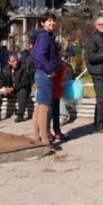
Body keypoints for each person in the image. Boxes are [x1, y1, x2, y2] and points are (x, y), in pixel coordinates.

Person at [31, 11, 59, 146]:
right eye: (48, 20)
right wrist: (50, 70)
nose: (52, 23)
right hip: (44, 74)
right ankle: (44, 139)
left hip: (41, 73)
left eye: (53, 20)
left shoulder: (46, 36)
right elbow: (38, 55)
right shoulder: (44, 37)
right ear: (42, 23)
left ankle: (36, 137)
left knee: (39, 105)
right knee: (44, 107)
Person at [0, 53, 32, 122]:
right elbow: (1, 81)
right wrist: (2, 89)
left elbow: (25, 82)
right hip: (10, 90)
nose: (16, 62)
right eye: (13, 61)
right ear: (9, 62)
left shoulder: (23, 68)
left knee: (22, 91)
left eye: (17, 60)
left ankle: (20, 116)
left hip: (20, 88)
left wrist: (13, 88)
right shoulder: (5, 69)